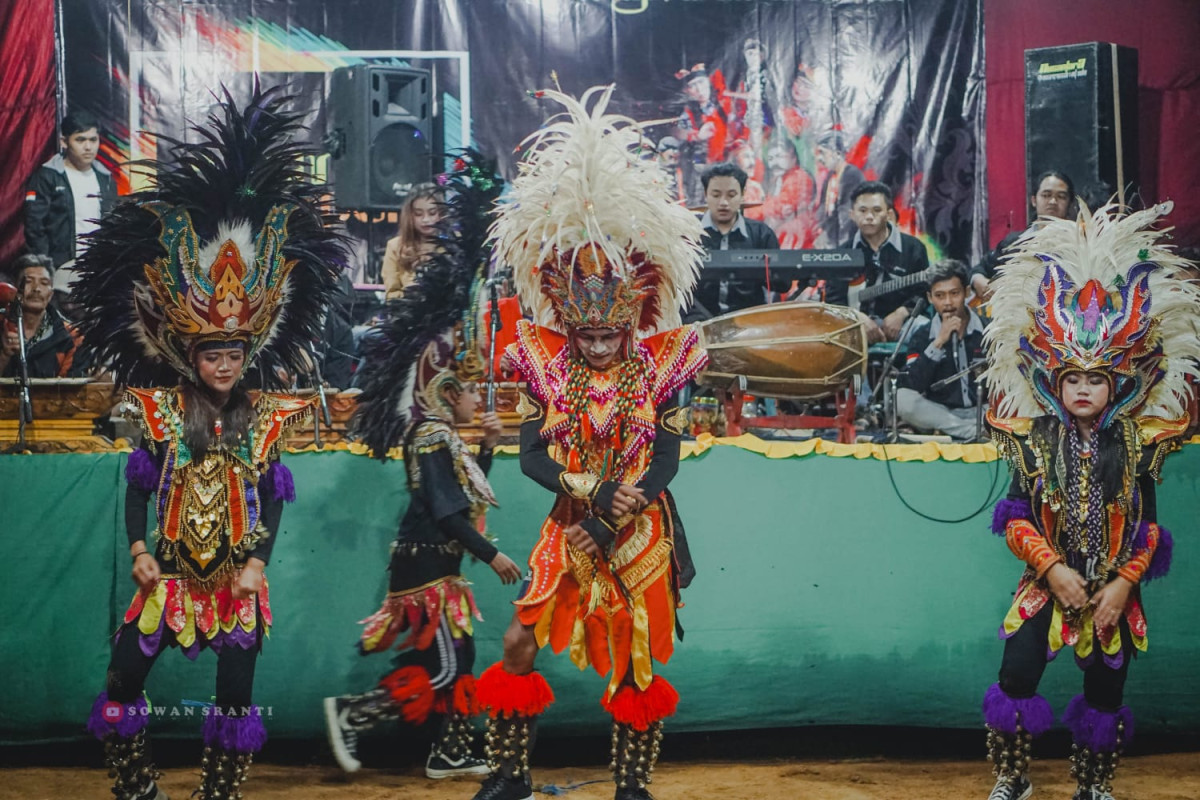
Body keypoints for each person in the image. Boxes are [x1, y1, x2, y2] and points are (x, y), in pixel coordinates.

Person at [73, 87, 344, 800]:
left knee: (235, 693)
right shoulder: (160, 414)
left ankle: (218, 793)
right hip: (164, 575)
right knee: (124, 679)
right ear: (189, 356)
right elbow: (137, 483)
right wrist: (138, 550)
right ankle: (134, 786)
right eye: (211, 356)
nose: (223, 366)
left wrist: (256, 564)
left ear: (248, 354)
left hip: (235, 581)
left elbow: (273, 498)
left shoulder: (264, 417)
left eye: (233, 355)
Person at [469, 85, 708, 800]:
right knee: (517, 642)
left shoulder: (662, 365)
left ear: (630, 323)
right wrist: (594, 494)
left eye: (611, 333)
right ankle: (508, 776)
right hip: (571, 521)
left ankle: (632, 788)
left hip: (642, 527)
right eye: (589, 334)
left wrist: (622, 508)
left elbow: (666, 457)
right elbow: (532, 458)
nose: (600, 345)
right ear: (570, 326)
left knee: (636, 658)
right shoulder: (541, 364)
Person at [979, 202, 1199, 800]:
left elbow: (1150, 530)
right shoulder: (1034, 440)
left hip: (1111, 591)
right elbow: (1016, 517)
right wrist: (1051, 571)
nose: (1082, 388)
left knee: (1107, 690)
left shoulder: (1137, 443)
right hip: (1044, 587)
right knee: (1017, 674)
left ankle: (1093, 786)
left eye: (1095, 378)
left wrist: (1123, 585)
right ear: (1053, 381)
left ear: (1117, 384)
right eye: (1072, 377)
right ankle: (1013, 777)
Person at [323, 152, 524, 780]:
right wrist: (492, 557)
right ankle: (353, 712)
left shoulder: (445, 435)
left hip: (440, 566)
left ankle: (450, 750)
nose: (474, 392)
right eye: (465, 386)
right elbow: (445, 507)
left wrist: (488, 442)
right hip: (428, 565)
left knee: (459, 659)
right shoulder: (432, 437)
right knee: (443, 665)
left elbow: (469, 488)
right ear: (440, 386)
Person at [895, 259, 985, 441]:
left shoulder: (988, 329)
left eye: (954, 293)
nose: (948, 302)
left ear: (967, 292)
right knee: (902, 399)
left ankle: (969, 430)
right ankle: (970, 432)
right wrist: (938, 342)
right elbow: (913, 384)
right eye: (940, 296)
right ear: (930, 298)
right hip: (942, 413)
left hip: (985, 410)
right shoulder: (923, 335)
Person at [833, 180, 930, 340]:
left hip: (902, 323)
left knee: (924, 330)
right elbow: (834, 301)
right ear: (852, 214)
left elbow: (924, 293)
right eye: (862, 211)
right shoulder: (842, 253)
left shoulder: (913, 248)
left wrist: (901, 314)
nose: (869, 217)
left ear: (889, 214)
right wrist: (858, 318)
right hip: (853, 324)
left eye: (877, 210)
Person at [24, 109, 118, 269]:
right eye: (80, 140)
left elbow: (113, 224)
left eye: (93, 140)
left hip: (99, 267)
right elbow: (34, 227)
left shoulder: (106, 178)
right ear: (64, 142)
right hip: (62, 266)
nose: (88, 147)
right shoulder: (47, 176)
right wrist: (47, 267)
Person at [970, 170, 1074, 303]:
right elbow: (980, 269)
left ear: (1070, 203)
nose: (1053, 201)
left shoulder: (1078, 244)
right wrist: (979, 280)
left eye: (1061, 197)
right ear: (1034, 200)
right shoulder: (1014, 242)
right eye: (1046, 195)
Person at [694, 162, 779, 317]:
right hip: (695, 323)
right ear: (705, 194)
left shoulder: (761, 234)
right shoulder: (689, 233)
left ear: (742, 195)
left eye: (731, 195)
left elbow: (782, 284)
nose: (723, 203)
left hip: (748, 324)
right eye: (716, 195)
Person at [0, 254, 87, 378]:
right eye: (28, 281)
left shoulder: (72, 337)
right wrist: (4, 356)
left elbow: (73, 390)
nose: (36, 289)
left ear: (51, 294)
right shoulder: (3, 329)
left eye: (44, 283)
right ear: (14, 289)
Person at [381, 183, 445, 300]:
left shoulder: (452, 247)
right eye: (418, 214)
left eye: (432, 213)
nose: (426, 219)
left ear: (441, 214)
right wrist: (411, 294)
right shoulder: (395, 247)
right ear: (410, 215)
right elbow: (391, 295)